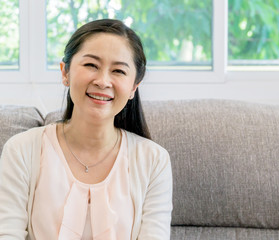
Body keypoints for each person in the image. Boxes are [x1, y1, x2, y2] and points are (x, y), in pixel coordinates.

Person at [0, 19, 172, 240]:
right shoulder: (22, 150)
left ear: (133, 87)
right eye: (91, 65)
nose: (103, 81)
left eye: (118, 70)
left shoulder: (154, 160)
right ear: (65, 72)